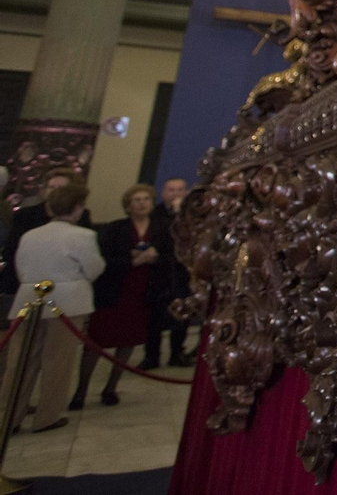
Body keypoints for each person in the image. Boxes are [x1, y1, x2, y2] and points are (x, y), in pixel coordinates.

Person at [1, 182, 103, 433]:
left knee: (20, 362)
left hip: (28, 299)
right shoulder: (83, 236)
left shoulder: (30, 235)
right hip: (67, 303)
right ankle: (47, 416)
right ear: (78, 209)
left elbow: (21, 269)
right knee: (58, 362)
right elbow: (94, 269)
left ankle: (9, 417)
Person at [70, 184, 171, 408]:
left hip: (143, 292)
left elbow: (171, 258)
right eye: (137, 200)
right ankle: (81, 391)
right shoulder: (116, 228)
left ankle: (111, 387)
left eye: (146, 199)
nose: (142, 203)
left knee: (127, 341)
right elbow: (104, 261)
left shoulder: (162, 227)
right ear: (128, 205)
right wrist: (133, 260)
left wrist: (154, 258)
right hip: (115, 292)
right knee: (96, 342)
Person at [1, 168, 94, 304]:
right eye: (51, 187)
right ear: (43, 190)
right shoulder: (25, 215)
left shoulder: (82, 215)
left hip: (62, 285)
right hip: (23, 283)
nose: (55, 192)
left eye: (62, 188)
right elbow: (11, 250)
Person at [142, 177, 193, 370]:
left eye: (180, 190)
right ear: (163, 193)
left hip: (182, 271)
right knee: (154, 316)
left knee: (182, 314)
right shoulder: (155, 214)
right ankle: (151, 356)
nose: (176, 194)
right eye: (172, 190)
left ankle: (177, 353)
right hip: (159, 271)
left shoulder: (192, 214)